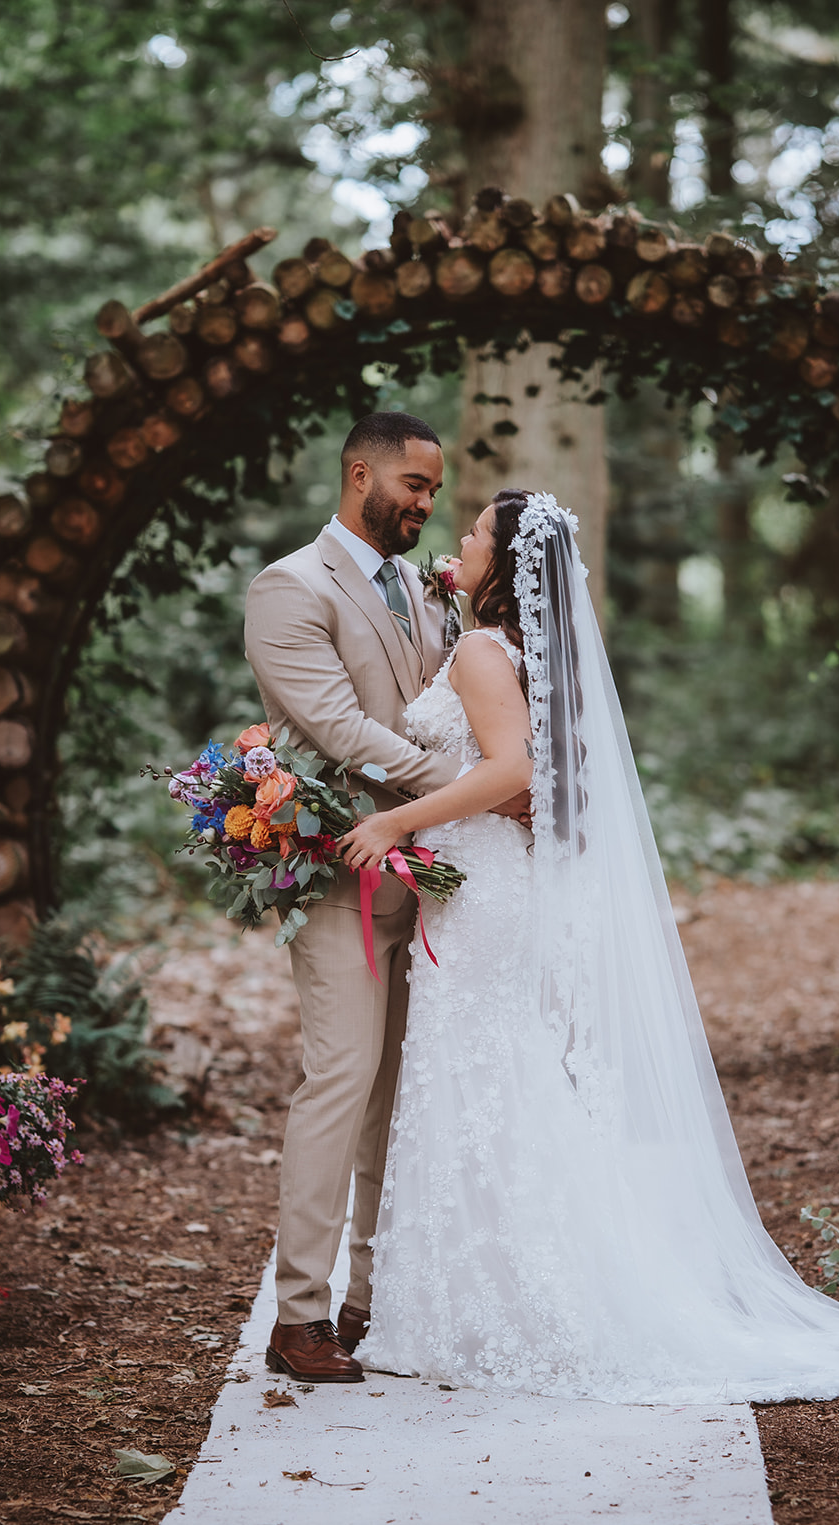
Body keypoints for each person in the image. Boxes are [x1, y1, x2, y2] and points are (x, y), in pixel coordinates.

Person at [339, 488, 839, 1403]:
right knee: (489, 1081)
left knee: (479, 1078)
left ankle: (496, 1304)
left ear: (504, 563)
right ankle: (474, 1297)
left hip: (488, 894)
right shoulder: (525, 652)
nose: (459, 536)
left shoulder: (482, 652)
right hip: (492, 885)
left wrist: (394, 826)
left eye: (475, 530)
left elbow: (511, 771)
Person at [244, 413, 527, 1385]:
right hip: (341, 878)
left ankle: (371, 1299)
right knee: (339, 1082)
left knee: (397, 1101)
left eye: (433, 490)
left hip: (437, 883)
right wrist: (474, 778)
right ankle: (297, 1316)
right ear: (357, 472)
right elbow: (333, 727)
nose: (424, 504)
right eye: (411, 484)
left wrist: (476, 788)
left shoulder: (422, 586)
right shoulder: (289, 589)